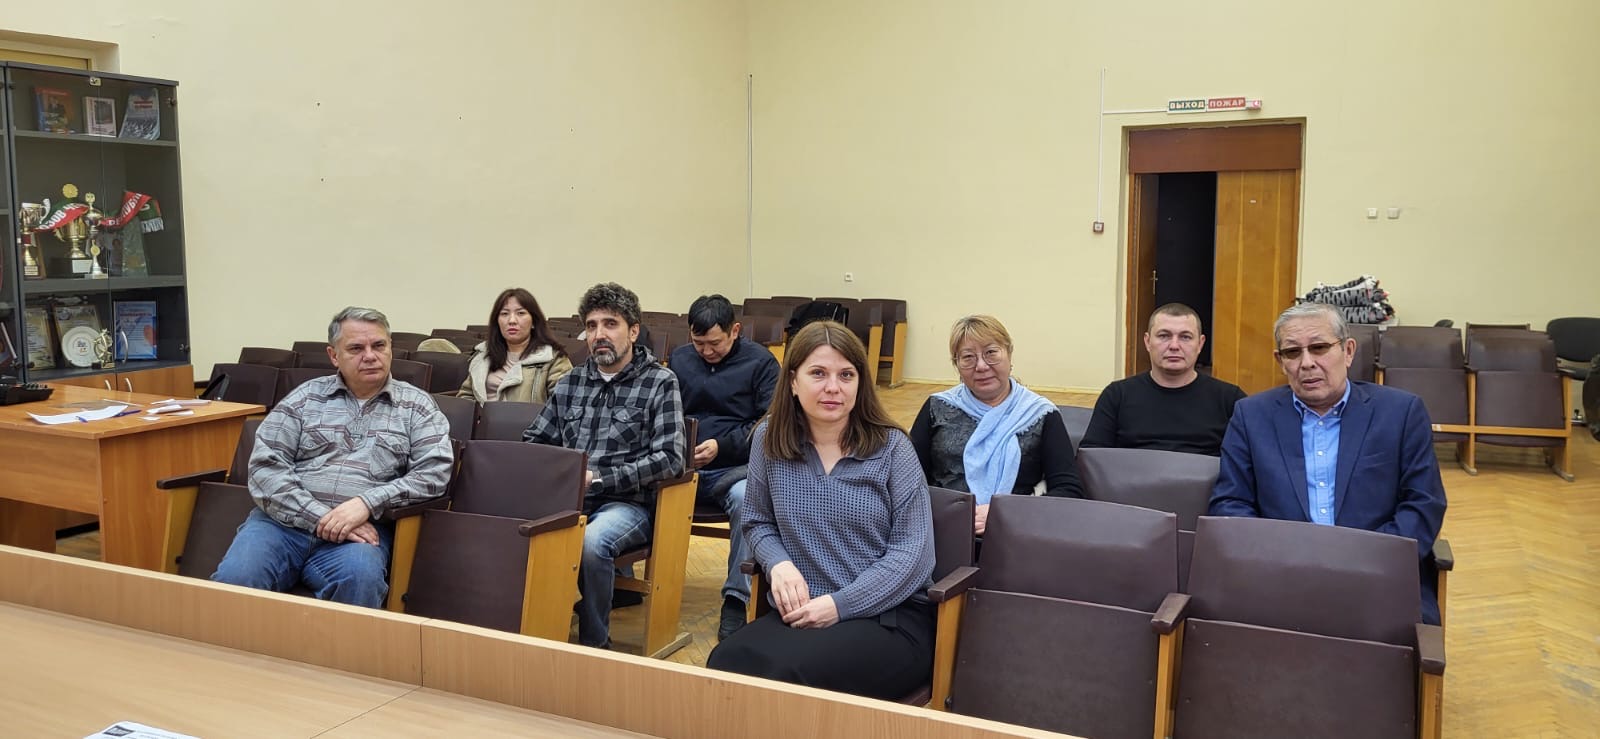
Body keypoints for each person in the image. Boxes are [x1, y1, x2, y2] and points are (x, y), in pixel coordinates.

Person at [707, 321, 935, 700]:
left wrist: (839, 605)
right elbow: (758, 522)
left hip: (891, 618)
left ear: (860, 384)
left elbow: (913, 556)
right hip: (806, 612)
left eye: (846, 375)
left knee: (787, 679)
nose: (833, 387)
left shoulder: (893, 447)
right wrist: (778, 564)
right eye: (818, 373)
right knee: (724, 663)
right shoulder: (768, 439)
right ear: (793, 382)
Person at [1209, 302, 1448, 624]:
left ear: (1348, 351)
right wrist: (1284, 562)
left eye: (1319, 348)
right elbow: (1230, 504)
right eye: (1293, 352)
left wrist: (1360, 563)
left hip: (1377, 577)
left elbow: (1423, 504)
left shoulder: (1401, 413)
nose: (1307, 363)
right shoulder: (1251, 416)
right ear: (1280, 361)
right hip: (1281, 578)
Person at [212, 306, 453, 607]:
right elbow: (265, 469)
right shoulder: (305, 398)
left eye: (379, 345)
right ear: (334, 355)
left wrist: (366, 503)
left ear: (390, 348)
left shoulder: (417, 406)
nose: (370, 356)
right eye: (356, 348)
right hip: (281, 527)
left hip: (361, 535)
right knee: (235, 579)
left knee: (360, 580)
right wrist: (320, 516)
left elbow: (433, 474)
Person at [523, 282, 685, 649]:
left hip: (628, 504)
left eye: (610, 324)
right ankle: (531, 634)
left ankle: (595, 646)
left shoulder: (660, 383)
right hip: (569, 499)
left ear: (633, 331)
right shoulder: (573, 381)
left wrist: (599, 479)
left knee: (592, 543)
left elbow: (670, 459)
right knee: (517, 528)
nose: (599, 335)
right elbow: (535, 440)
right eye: (592, 325)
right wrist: (560, 473)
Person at [669, 294, 781, 641]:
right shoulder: (680, 358)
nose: (706, 351)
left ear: (735, 330)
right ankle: (621, 581)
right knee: (636, 480)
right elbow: (665, 411)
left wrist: (722, 446)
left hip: (736, 467)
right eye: (698, 342)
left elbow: (769, 426)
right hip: (683, 464)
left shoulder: (761, 363)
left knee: (748, 499)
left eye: (715, 343)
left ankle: (736, 598)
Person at [909, 315, 1083, 536]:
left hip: (1016, 532)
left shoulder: (1041, 414)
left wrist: (1005, 512)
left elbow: (1069, 490)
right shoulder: (937, 408)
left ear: (1009, 354)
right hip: (941, 530)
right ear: (957, 365)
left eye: (991, 353)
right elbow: (908, 480)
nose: (981, 366)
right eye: (968, 357)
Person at [1080, 303, 1246, 456]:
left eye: (1185, 337)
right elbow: (1092, 459)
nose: (1174, 346)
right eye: (1164, 336)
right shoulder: (1117, 396)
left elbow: (1248, 461)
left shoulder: (1230, 400)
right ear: (1147, 342)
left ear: (1200, 344)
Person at [457, 287, 572, 403]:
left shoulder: (553, 359)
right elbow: (466, 396)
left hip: (529, 416)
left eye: (520, 313)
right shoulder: (483, 355)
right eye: (504, 314)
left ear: (534, 322)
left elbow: (563, 404)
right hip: (483, 415)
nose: (512, 320)